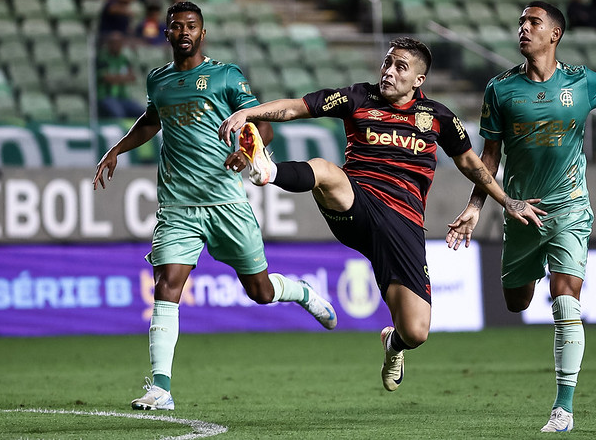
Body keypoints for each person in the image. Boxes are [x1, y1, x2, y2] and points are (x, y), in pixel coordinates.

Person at [218, 37, 544, 394]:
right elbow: (298, 107)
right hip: (357, 203)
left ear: (419, 79)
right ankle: (268, 172)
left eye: (400, 67)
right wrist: (250, 113)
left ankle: (393, 346)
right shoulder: (358, 96)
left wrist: (503, 202)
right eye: (387, 63)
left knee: (416, 332)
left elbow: (471, 164)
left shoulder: (438, 117)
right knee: (326, 171)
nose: (388, 71)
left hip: (403, 225)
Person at [93, 1, 337, 411]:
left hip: (226, 202)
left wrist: (246, 152)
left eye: (191, 26)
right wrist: (117, 148)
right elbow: (153, 120)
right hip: (178, 206)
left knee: (259, 291)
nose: (184, 32)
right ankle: (161, 388)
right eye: (176, 26)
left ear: (202, 34)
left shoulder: (225, 76)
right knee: (166, 288)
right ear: (166, 33)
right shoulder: (159, 80)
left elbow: (264, 126)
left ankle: (300, 291)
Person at [446, 2, 596, 433]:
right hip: (522, 211)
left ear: (554, 34)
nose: (524, 28)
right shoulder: (500, 89)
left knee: (565, 303)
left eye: (533, 23)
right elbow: (489, 157)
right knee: (517, 301)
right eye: (521, 22)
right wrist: (475, 205)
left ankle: (563, 409)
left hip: (571, 208)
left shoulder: (584, 82)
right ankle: (540, 268)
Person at [96, 31, 144, 119]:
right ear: (108, 44)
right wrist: (123, 78)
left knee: (143, 113)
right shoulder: (102, 58)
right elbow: (105, 78)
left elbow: (132, 77)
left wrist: (115, 78)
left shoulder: (124, 59)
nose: (116, 46)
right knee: (118, 113)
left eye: (118, 43)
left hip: (123, 97)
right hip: (106, 96)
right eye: (113, 43)